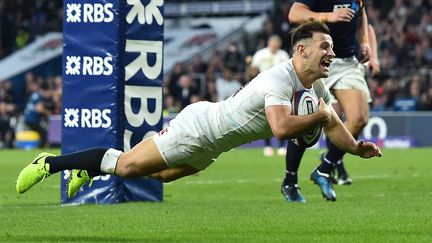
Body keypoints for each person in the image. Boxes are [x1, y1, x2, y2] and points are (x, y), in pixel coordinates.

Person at [16, 21, 382, 200]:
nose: (332, 54)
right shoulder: (278, 78)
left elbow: (333, 119)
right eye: (325, 46)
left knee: (161, 177)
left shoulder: (315, 83)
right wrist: (318, 116)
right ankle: (51, 164)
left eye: (332, 47)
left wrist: (354, 147)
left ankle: (94, 169)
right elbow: (283, 128)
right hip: (199, 128)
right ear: (302, 51)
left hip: (214, 147)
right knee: (126, 166)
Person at [281, 0, 375, 202]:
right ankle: (290, 180)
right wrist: (327, 16)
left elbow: (362, 12)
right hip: (315, 58)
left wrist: (365, 40)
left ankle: (325, 169)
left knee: (359, 118)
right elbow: (294, 14)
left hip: (347, 61)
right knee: (306, 122)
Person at [249, 34, 290, 157]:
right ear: (269, 44)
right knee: (266, 117)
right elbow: (252, 70)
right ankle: (268, 145)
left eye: (276, 45)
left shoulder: (283, 55)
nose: (274, 47)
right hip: (263, 88)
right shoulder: (260, 54)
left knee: (282, 116)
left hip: (280, 88)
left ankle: (282, 146)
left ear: (279, 45)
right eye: (273, 45)